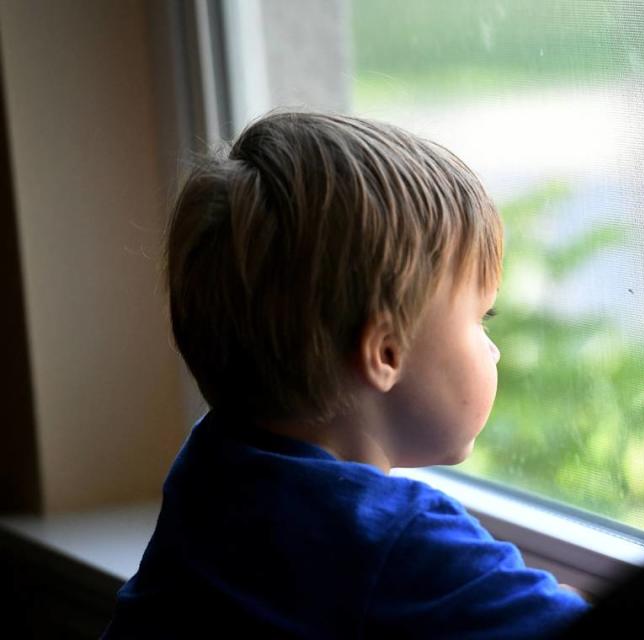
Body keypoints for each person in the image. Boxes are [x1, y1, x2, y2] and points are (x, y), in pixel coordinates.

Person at [101, 111, 589, 639]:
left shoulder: (212, 466)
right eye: (479, 318)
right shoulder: (391, 538)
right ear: (384, 352)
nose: (493, 350)